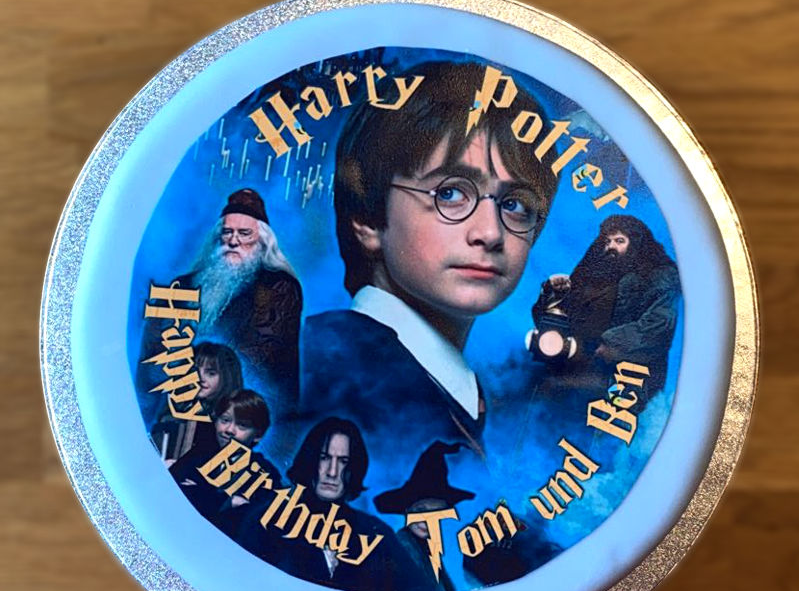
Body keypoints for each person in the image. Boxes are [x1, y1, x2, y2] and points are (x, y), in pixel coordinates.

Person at [300, 60, 560, 485]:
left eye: (515, 204)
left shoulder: (458, 387)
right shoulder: (322, 367)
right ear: (367, 216)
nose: (490, 233)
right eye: (451, 193)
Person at [141, 188, 302, 414]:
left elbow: (261, 355)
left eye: (244, 234)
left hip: (245, 409)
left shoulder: (278, 287)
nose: (233, 241)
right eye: (227, 233)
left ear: (263, 241)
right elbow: (153, 348)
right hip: (177, 401)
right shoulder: (183, 285)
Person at [238, 417, 429, 591]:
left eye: (343, 461)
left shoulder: (375, 533)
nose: (332, 472)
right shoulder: (268, 518)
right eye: (324, 458)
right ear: (310, 460)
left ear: (354, 468)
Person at [530, 214, 681, 407]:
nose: (611, 247)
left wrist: (609, 343)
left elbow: (660, 325)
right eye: (607, 241)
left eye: (619, 241)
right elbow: (550, 327)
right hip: (575, 364)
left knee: (558, 392)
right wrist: (551, 294)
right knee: (531, 384)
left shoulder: (661, 275)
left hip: (625, 378)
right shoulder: (594, 273)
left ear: (636, 243)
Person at [170, 388, 281, 535]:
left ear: (258, 435)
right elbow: (171, 492)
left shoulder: (265, 473)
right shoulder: (198, 455)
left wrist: (199, 492)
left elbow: (252, 523)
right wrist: (227, 502)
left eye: (242, 425)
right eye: (225, 420)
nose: (229, 430)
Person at [374, 441, 476, 591]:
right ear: (407, 510)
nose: (426, 520)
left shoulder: (428, 549)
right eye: (421, 510)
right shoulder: (403, 546)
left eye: (436, 512)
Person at [150, 341, 243, 461]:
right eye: (194, 370)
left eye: (211, 373)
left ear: (227, 378)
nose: (200, 378)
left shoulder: (227, 424)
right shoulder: (174, 409)